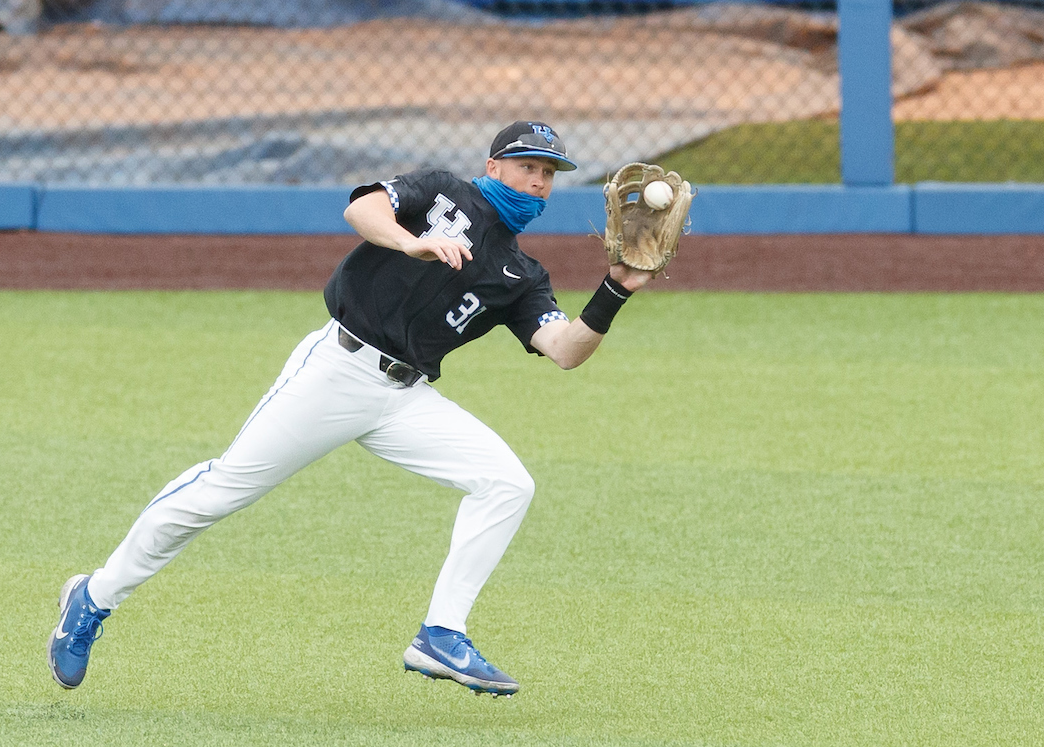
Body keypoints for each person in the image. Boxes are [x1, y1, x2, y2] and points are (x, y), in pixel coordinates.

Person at [48, 121, 654, 696]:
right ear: (494, 165)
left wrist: (616, 288)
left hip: (404, 398)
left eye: (549, 172)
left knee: (506, 484)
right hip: (337, 370)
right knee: (222, 490)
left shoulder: (521, 274)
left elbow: (566, 349)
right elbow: (361, 206)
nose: (539, 181)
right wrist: (412, 242)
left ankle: (441, 633)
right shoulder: (443, 191)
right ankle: (95, 597)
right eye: (528, 166)